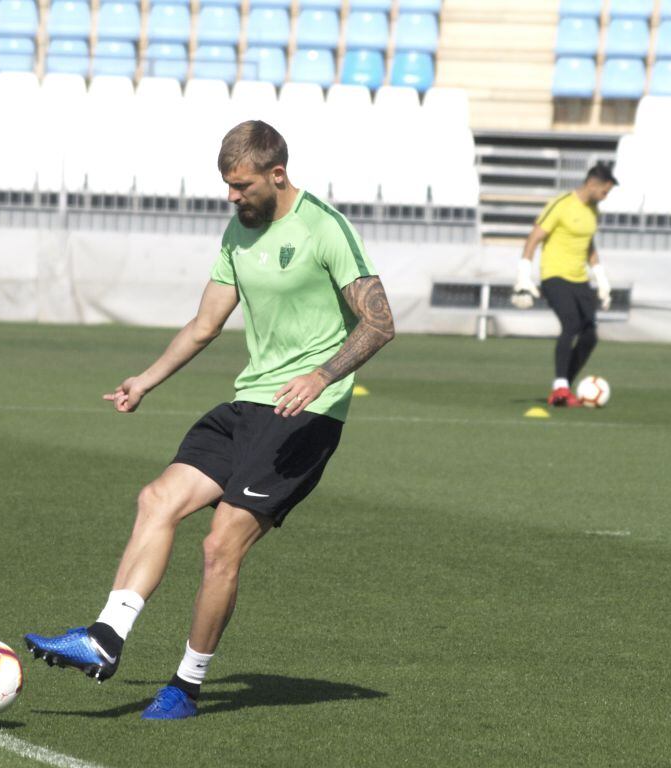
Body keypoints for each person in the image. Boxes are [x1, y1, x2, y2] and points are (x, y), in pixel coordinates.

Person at [23, 121, 396, 720]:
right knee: (156, 499)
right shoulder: (238, 229)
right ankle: (105, 638)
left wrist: (320, 376)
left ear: (277, 174)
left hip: (306, 415)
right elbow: (204, 325)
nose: (232, 197)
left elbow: (380, 322)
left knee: (221, 545)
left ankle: (185, 686)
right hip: (248, 405)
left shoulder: (326, 228)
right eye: (227, 185)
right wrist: (145, 379)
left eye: (242, 186)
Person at [512, 164, 618, 407]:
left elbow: (588, 245)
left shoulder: (594, 211)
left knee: (590, 334)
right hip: (555, 276)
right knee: (571, 324)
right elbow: (534, 238)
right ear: (592, 184)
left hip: (580, 279)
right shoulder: (560, 204)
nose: (605, 197)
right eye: (605, 191)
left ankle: (564, 388)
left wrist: (601, 279)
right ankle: (560, 386)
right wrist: (523, 276)